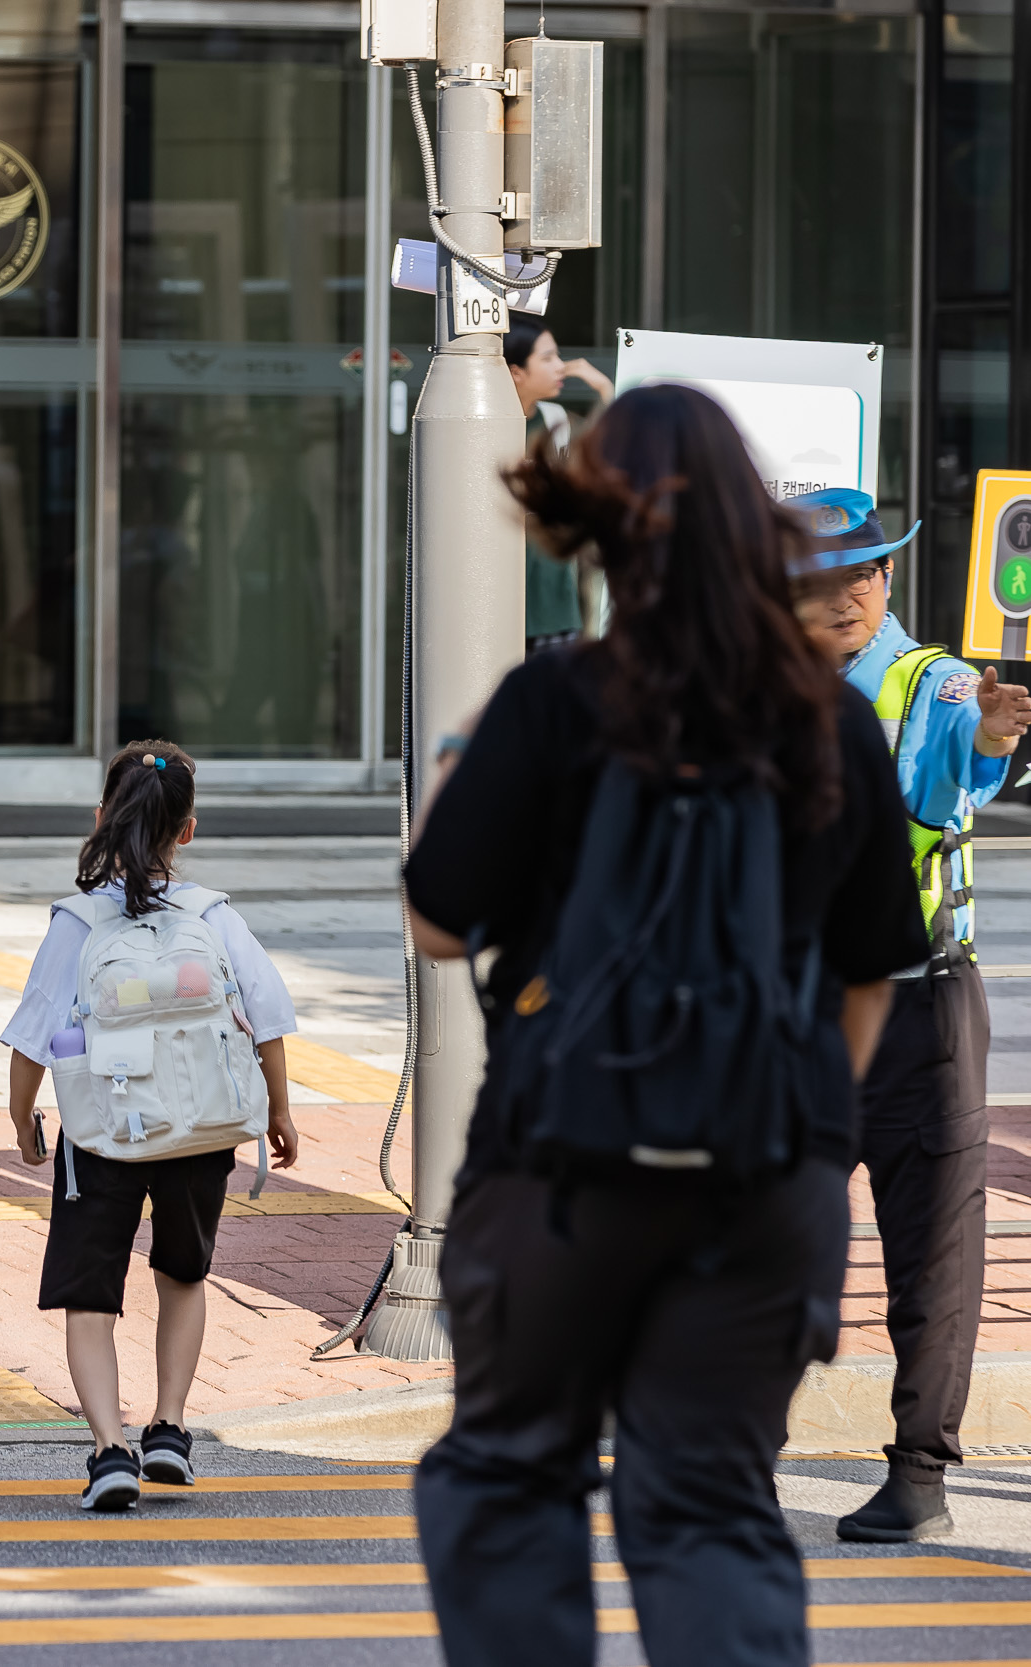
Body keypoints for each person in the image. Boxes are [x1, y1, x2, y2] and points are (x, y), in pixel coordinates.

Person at [404, 385, 927, 1666]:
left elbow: (434, 921)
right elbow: (872, 967)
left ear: (595, 528)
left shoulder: (553, 702)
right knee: (710, 1505)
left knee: (513, 1480)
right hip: (763, 1178)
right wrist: (790, 1119)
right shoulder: (832, 719)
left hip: (558, 1164)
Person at [784, 486, 1031, 1541]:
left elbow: (957, 764)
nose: (847, 591)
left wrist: (987, 732)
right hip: (794, 1008)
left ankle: (920, 1473)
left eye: (865, 570)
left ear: (885, 576)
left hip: (919, 1006)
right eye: (821, 575)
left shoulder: (927, 681)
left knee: (931, 1251)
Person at [0, 741, 301, 1511]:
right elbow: (265, 1017)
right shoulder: (214, 916)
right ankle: (169, 1427)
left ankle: (110, 1449)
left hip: (104, 1132)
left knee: (90, 1299)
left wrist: (22, 1117)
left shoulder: (78, 920)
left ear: (102, 819)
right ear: (188, 830)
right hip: (201, 1131)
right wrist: (279, 1110)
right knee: (183, 1275)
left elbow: (35, 1031)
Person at [508, 319, 614, 657]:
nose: (561, 367)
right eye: (548, 358)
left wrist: (606, 391)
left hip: (553, 608)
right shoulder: (482, 424)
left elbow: (608, 458)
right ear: (516, 372)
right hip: (493, 606)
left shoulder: (557, 422)